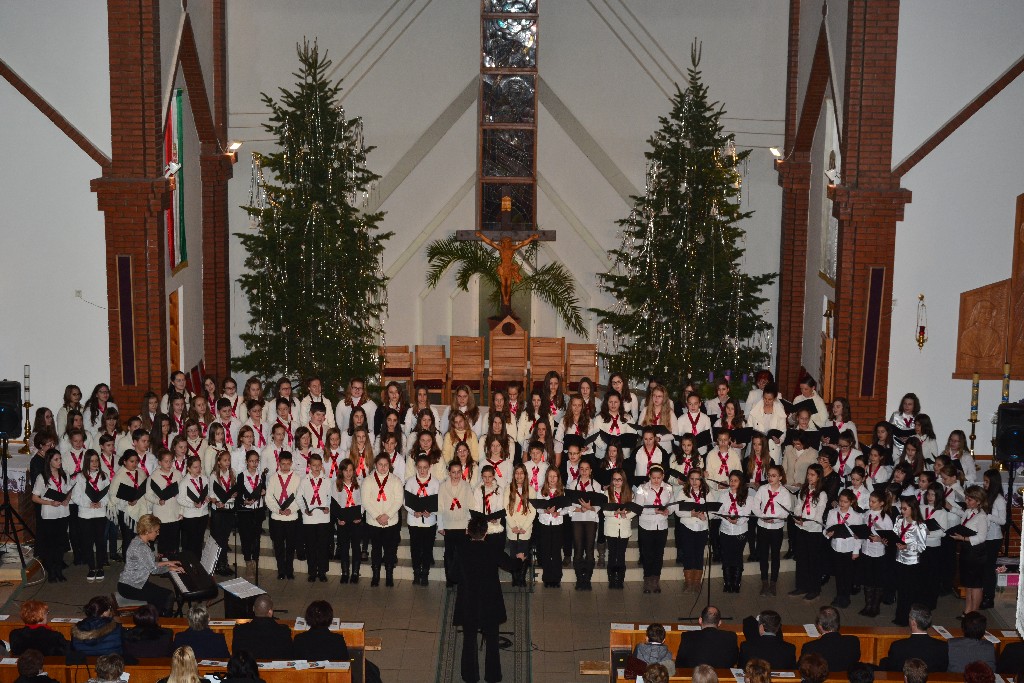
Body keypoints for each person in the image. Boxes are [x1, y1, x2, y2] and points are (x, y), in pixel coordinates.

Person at [454, 516, 525, 683]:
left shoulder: (461, 549)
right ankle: (493, 676)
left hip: (468, 601)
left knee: (469, 639)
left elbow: (453, 575)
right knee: (492, 640)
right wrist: (520, 559)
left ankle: (470, 676)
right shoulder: (492, 548)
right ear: (486, 533)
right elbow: (511, 565)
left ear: (468, 531)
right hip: (490, 601)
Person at [116, 514, 183, 616]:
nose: (158, 533)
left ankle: (155, 616)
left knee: (159, 597)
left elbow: (148, 563)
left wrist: (167, 562)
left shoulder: (138, 540)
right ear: (147, 531)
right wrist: (170, 568)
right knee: (169, 595)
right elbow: (153, 570)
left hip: (133, 583)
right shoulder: (142, 547)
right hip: (131, 587)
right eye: (156, 531)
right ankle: (164, 620)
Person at [363, 453, 404, 587]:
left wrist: (387, 515)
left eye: (386, 465)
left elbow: (398, 500)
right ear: (375, 465)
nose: (383, 467)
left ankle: (389, 576)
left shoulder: (395, 480)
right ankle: (375, 576)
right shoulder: (368, 480)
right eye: (380, 464)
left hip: (390, 521)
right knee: (376, 549)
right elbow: (366, 501)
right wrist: (377, 516)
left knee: (390, 550)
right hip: (374, 522)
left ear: (389, 465)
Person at [879, 604, 948, 672]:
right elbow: (943, 669)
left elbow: (891, 670)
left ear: (913, 623)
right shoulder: (942, 647)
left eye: (909, 617)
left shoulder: (897, 646)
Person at [231, 595, 293, 659]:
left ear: (253, 609)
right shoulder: (283, 632)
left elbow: (235, 655)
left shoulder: (239, 631)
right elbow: (289, 656)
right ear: (270, 612)